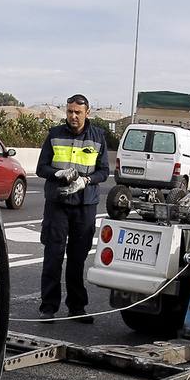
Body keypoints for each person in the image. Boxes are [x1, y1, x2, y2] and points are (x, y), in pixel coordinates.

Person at [35, 93, 110, 323]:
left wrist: (85, 180)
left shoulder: (98, 137)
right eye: (69, 112)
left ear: (87, 113)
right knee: (53, 256)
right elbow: (41, 168)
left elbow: (104, 171)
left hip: (84, 205)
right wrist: (57, 173)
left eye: (78, 112)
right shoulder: (55, 135)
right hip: (57, 203)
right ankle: (48, 308)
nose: (73, 116)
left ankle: (77, 308)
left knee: (77, 259)